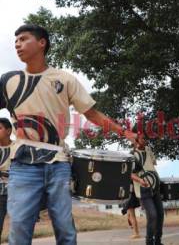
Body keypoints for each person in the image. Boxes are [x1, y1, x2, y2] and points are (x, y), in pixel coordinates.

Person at [0, 24, 138, 245]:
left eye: (24, 39)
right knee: (19, 228)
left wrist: (125, 132)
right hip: (23, 163)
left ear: (42, 43)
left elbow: (92, 114)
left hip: (59, 163)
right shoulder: (8, 80)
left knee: (64, 228)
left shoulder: (64, 79)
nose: (17, 44)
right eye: (15, 41)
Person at [131, 134, 164, 245]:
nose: (145, 140)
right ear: (136, 141)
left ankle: (158, 242)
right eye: (142, 138)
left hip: (155, 187)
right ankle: (149, 242)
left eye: (145, 138)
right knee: (153, 215)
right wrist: (140, 180)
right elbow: (130, 174)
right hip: (143, 189)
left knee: (160, 215)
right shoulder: (132, 155)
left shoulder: (148, 149)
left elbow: (153, 164)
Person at [0, 118, 13, 243]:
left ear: (9, 131)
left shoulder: (17, 148)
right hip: (0, 194)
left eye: (0, 128)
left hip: (16, 193)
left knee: (19, 228)